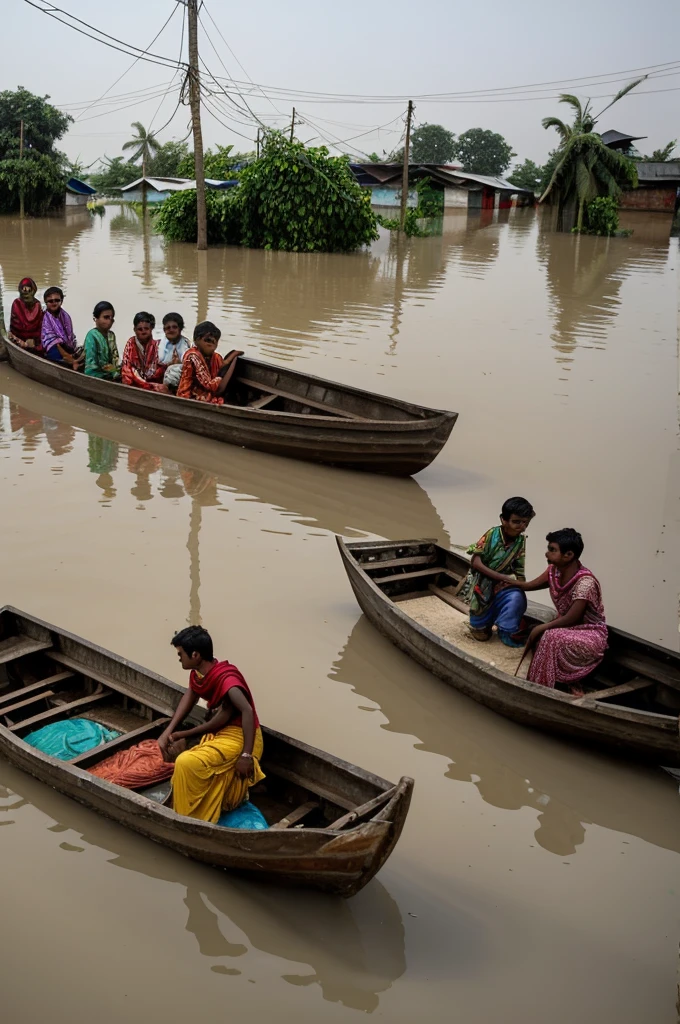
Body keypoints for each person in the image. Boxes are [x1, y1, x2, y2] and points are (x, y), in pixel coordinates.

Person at [158, 626, 264, 823]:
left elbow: (247, 711)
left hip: (242, 737)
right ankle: (192, 808)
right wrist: (169, 731)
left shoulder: (227, 679)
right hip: (221, 732)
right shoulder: (198, 674)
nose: (179, 657)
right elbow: (189, 697)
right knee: (186, 758)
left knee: (185, 762)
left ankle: (189, 818)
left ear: (195, 654)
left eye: (181, 654)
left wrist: (246, 755)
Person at [516, 528, 607, 694]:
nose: (546, 554)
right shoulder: (554, 571)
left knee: (549, 635)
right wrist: (503, 581)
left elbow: (573, 618)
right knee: (544, 635)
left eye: (552, 550)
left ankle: (542, 688)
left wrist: (541, 628)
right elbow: (528, 586)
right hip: (566, 629)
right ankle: (553, 681)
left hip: (590, 635)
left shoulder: (585, 583)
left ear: (569, 555)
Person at [459, 496, 535, 646]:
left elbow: (519, 568)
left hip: (503, 584)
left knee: (517, 598)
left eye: (525, 522)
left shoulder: (520, 541)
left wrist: (517, 584)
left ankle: (505, 629)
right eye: (516, 522)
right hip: (482, 582)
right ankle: (482, 624)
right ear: (504, 520)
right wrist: (501, 577)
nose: (522, 526)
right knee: (481, 632)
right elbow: (475, 562)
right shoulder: (492, 534)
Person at [177, 320, 243, 404]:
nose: (212, 346)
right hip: (188, 397)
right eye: (207, 341)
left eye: (214, 342)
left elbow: (222, 365)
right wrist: (221, 376)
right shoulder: (193, 356)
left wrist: (231, 358)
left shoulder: (215, 357)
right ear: (197, 340)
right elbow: (209, 385)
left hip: (205, 393)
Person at [121, 312, 168, 393]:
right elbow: (127, 367)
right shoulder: (131, 343)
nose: (143, 332)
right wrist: (145, 383)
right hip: (134, 381)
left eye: (146, 329)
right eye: (140, 329)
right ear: (135, 330)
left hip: (153, 381)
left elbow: (161, 368)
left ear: (151, 329)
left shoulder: (158, 345)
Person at [40, 287, 83, 369]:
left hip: (65, 344)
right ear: (46, 302)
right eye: (50, 301)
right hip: (51, 348)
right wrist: (68, 357)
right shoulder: (45, 318)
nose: (54, 303)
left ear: (61, 301)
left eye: (57, 300)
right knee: (57, 355)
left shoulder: (65, 316)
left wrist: (72, 352)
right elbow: (53, 342)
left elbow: (70, 336)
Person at [84, 301, 121, 380]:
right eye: (106, 317)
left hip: (111, 372)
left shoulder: (111, 335)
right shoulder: (91, 335)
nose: (109, 321)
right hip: (95, 374)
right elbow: (91, 364)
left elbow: (115, 357)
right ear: (96, 319)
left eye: (111, 318)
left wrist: (115, 370)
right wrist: (109, 371)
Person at [9, 278, 43, 350]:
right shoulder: (17, 303)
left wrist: (34, 339)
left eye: (29, 290)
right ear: (20, 290)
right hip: (17, 336)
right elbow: (23, 322)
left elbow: (40, 324)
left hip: (34, 339)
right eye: (24, 289)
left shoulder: (37, 304)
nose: (26, 292)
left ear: (33, 290)